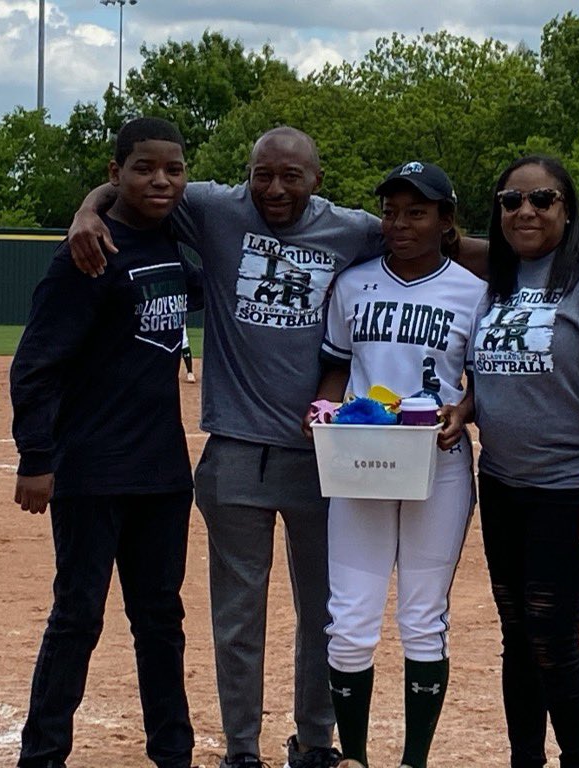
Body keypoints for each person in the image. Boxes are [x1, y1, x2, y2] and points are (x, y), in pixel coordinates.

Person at [68, 126, 488, 768]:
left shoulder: (352, 229)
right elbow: (138, 186)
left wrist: (540, 251)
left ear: (316, 179)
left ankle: (316, 743)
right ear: (247, 173)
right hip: (236, 449)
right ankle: (242, 749)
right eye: (262, 174)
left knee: (325, 611)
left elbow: (435, 241)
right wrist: (86, 209)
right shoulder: (213, 208)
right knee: (238, 619)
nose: (275, 188)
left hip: (327, 453)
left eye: (291, 176)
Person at [9, 117, 202, 768]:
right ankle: (42, 755)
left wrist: (88, 205)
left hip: (163, 473)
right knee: (77, 618)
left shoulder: (176, 241)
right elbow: (36, 364)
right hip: (91, 470)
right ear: (115, 171)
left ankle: (173, 754)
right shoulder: (87, 253)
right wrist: (37, 458)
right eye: (144, 167)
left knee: (161, 623)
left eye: (173, 169)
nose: (160, 179)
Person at [304, 161, 487, 768]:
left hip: (439, 460)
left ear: (444, 220)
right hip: (361, 458)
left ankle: (413, 761)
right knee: (351, 620)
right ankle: (353, 756)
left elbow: (486, 382)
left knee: (422, 616)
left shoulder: (472, 291)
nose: (399, 223)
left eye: (416, 212)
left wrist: (465, 409)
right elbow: (336, 363)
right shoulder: (353, 283)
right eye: (390, 211)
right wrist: (326, 406)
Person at [470, 155, 579, 768]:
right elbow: (490, 366)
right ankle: (525, 761)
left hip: (569, 489)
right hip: (503, 484)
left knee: (551, 639)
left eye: (542, 200)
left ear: (567, 210)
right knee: (517, 639)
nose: (526, 212)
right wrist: (468, 405)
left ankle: (578, 761)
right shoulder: (501, 278)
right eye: (511, 200)